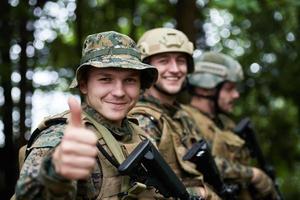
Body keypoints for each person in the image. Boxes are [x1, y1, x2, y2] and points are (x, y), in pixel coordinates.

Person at [14, 31, 164, 199]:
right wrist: (55, 174)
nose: (119, 92)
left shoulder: (139, 134)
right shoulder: (60, 137)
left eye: (130, 80)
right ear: (84, 85)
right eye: (106, 79)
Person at [129, 27, 220, 200]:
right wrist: (203, 194)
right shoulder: (141, 118)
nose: (175, 69)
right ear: (147, 69)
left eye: (181, 61)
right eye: (164, 61)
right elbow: (149, 190)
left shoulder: (182, 116)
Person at [182, 51, 278, 199]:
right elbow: (196, 164)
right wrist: (253, 175)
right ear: (205, 89)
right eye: (229, 89)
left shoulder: (226, 123)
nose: (236, 95)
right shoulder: (184, 119)